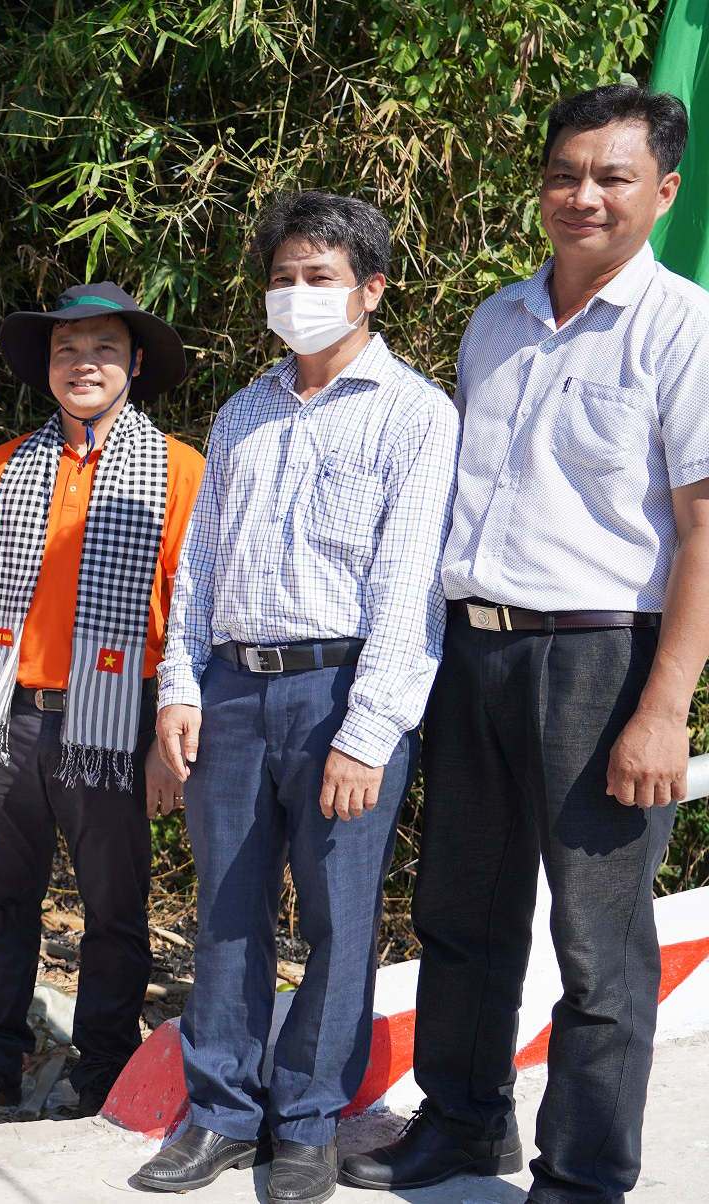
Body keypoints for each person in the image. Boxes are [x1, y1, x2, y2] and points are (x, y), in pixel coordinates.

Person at [341, 85, 709, 1204]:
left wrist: (662, 706)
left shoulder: (682, 327)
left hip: (601, 662)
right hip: (474, 652)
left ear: (663, 190)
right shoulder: (491, 321)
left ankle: (582, 1176)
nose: (581, 194)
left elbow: (701, 529)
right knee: (458, 912)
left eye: (610, 175)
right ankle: (460, 1123)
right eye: (563, 173)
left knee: (598, 951)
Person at [130, 192, 459, 1203]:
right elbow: (195, 571)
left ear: (370, 287)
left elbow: (407, 591)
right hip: (231, 685)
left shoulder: (413, 413)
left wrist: (367, 733)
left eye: (318, 277)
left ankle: (307, 1120)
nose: (295, 295)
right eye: (281, 277)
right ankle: (222, 1113)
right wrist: (179, 686)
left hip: (339, 693)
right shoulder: (243, 411)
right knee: (225, 910)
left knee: (336, 919)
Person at [0, 283, 203, 1119]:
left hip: (116, 720)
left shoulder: (179, 470)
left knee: (116, 907)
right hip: (8, 714)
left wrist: (169, 734)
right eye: (66, 350)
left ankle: (103, 1065)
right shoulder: (5, 466)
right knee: (5, 898)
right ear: (48, 367)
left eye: (104, 348)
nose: (84, 363)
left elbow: (194, 610)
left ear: (135, 363)